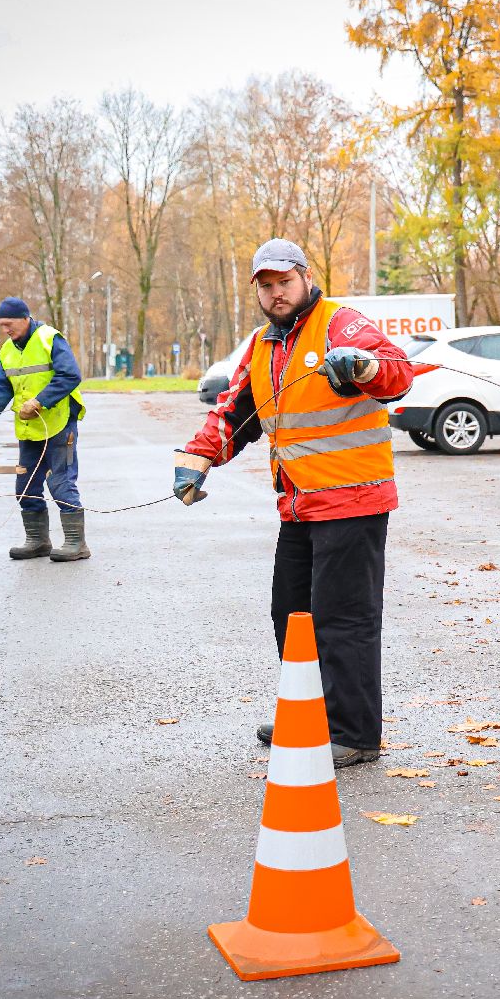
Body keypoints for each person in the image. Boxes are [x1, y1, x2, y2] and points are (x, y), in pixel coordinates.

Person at [173, 238, 413, 768]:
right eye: (267, 286)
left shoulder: (340, 324)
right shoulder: (263, 346)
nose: (277, 293)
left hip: (354, 501)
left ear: (305, 276)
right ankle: (307, 711)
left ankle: (352, 734)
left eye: (285, 282)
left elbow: (397, 373)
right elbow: (236, 413)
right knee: (292, 614)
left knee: (343, 620)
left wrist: (364, 368)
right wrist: (198, 457)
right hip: (301, 507)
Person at [0, 296, 90, 562]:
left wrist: (40, 401)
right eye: (1, 326)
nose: (5, 330)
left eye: (9, 324)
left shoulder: (50, 338)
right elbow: (2, 387)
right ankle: (37, 541)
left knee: (60, 481)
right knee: (25, 484)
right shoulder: (7, 350)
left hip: (58, 423)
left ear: (25, 318)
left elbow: (70, 375)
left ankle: (76, 543)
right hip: (29, 429)